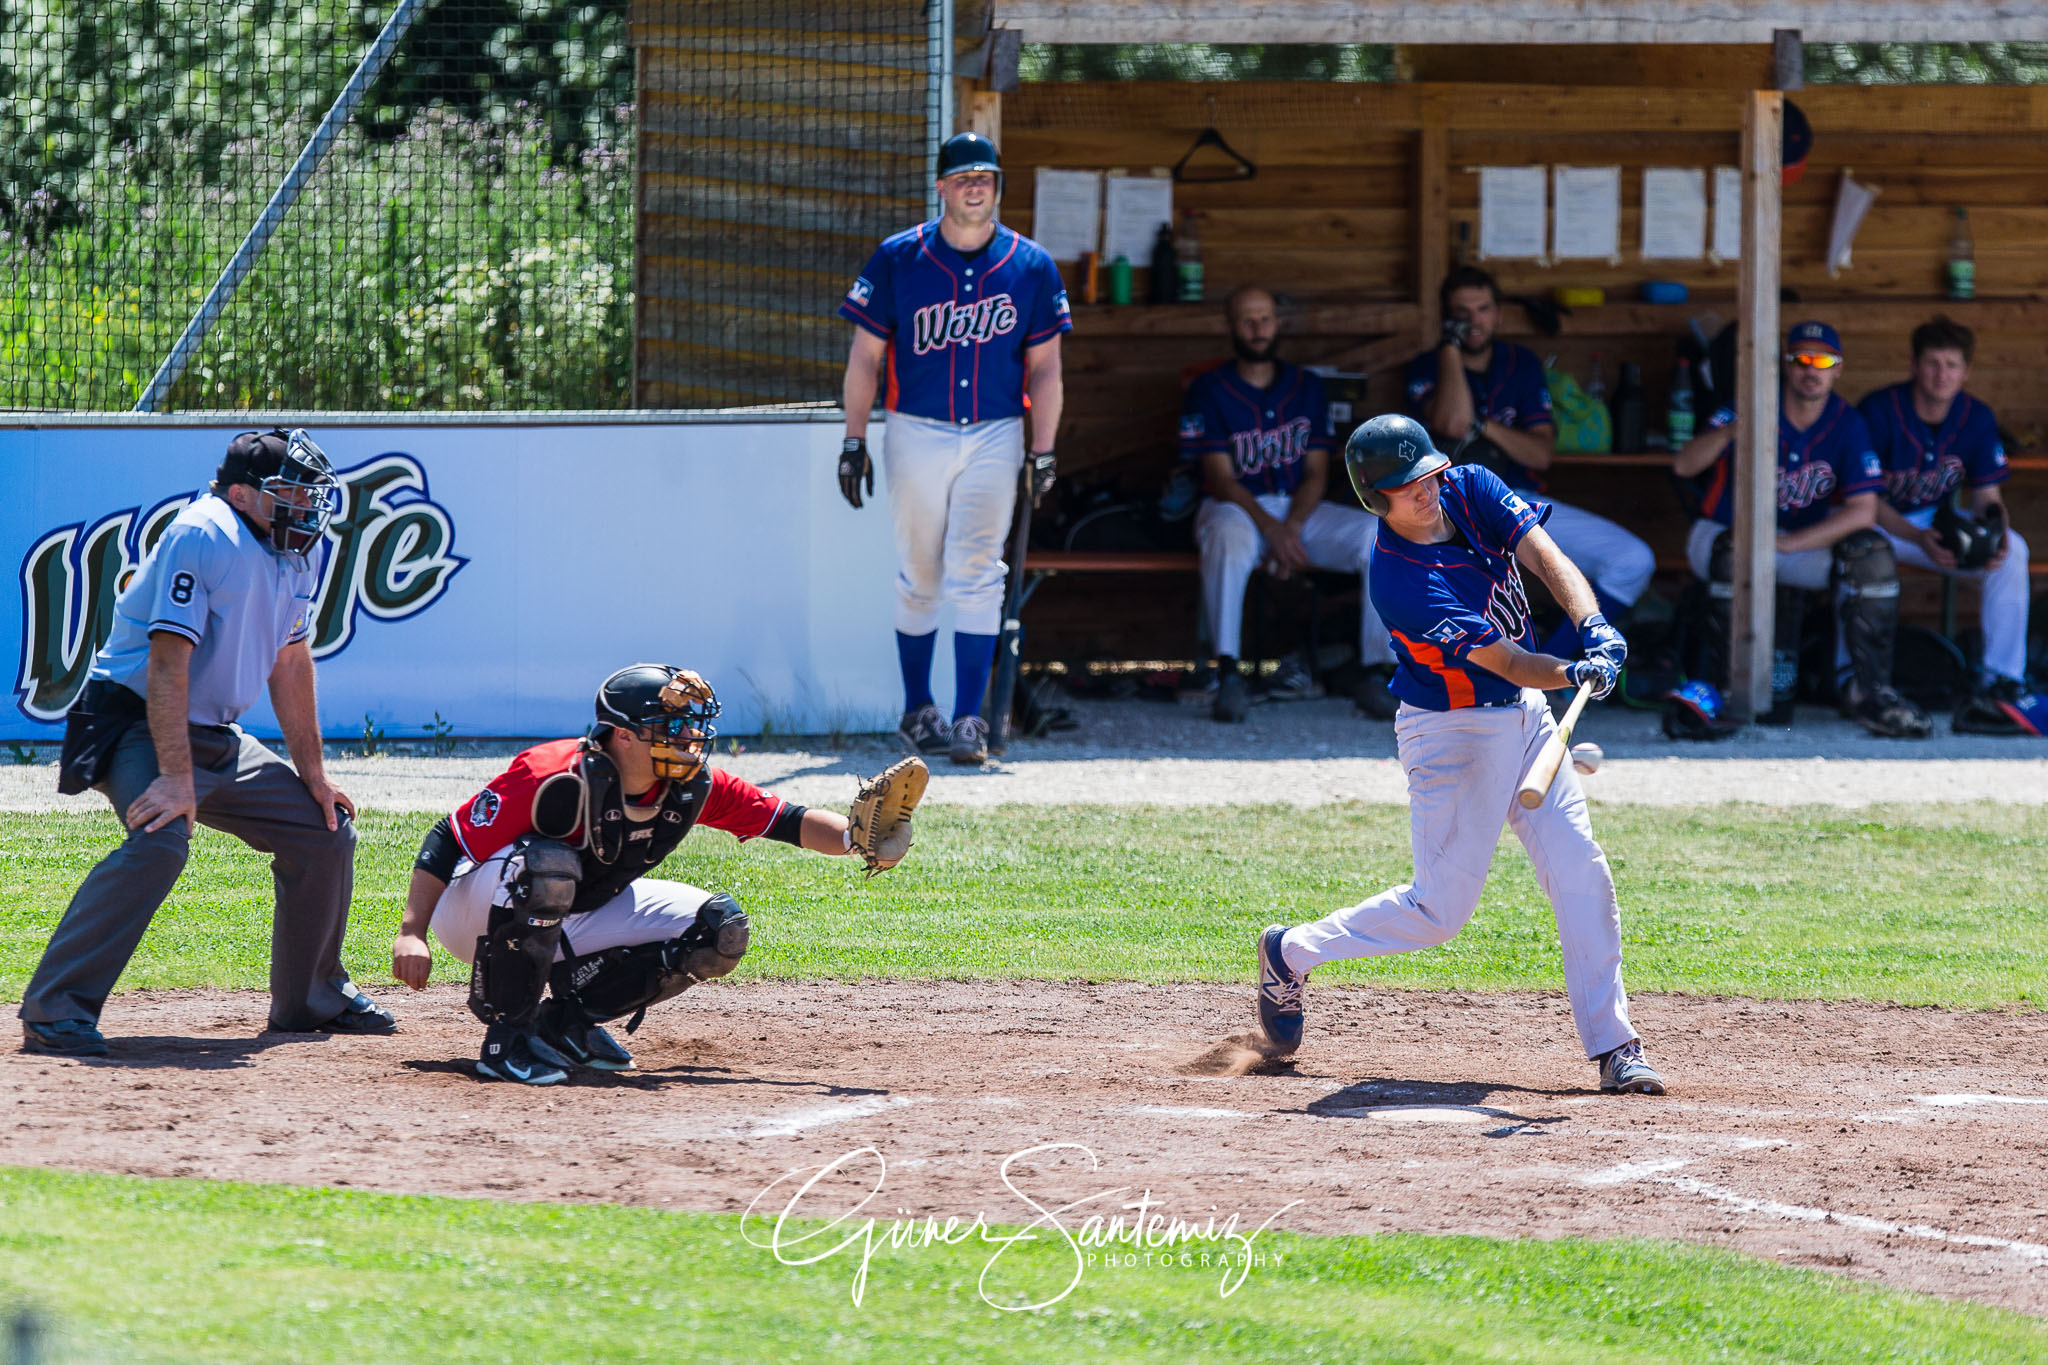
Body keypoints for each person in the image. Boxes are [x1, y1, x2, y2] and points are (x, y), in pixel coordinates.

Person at [1253, 414, 1664, 1097]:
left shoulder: (1469, 485)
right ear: (1375, 497)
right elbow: (1505, 661)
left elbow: (1542, 553)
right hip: (1451, 735)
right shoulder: (1400, 579)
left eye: (1431, 472)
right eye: (1409, 484)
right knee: (1438, 911)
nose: (1429, 488)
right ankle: (1289, 951)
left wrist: (1593, 624)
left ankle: (1615, 1044)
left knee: (1580, 867)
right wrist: (1573, 673)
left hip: (1526, 718)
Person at [20, 429, 390, 1057]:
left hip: (213, 731)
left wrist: (316, 776)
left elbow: (291, 661)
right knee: (162, 841)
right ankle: (56, 1009)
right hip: (136, 720)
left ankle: (309, 999)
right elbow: (168, 663)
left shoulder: (298, 547)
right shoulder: (205, 532)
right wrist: (175, 777)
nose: (307, 504)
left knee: (325, 829)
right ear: (243, 494)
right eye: (290, 492)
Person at [390, 664, 923, 1086]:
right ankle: (507, 1040)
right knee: (549, 866)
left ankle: (565, 1025)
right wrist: (412, 931)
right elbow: (448, 838)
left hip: (576, 906)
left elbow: (786, 821)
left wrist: (859, 840)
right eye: (671, 727)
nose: (690, 738)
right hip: (478, 912)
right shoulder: (552, 773)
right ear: (622, 736)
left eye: (693, 725)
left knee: (719, 928)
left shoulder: (691, 783)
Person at [836, 130, 1069, 768]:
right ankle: (919, 708)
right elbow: (866, 355)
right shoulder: (898, 257)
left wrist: (1042, 448)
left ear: (998, 185)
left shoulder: (1030, 264)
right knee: (920, 572)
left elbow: (1046, 367)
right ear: (941, 186)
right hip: (917, 427)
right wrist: (855, 438)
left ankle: (969, 718)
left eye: (986, 176)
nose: (976, 185)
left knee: (977, 571)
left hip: (996, 431)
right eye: (964, 176)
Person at [1674, 321, 1931, 738]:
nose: (1812, 370)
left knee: (1872, 556)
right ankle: (1722, 690)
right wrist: (1739, 426)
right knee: (1730, 550)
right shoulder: (1746, 405)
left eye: (1823, 361)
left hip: (1791, 544)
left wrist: (1791, 543)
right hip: (1721, 535)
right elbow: (1684, 465)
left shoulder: (1847, 422)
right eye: (1801, 360)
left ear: (1838, 369)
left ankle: (1868, 691)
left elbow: (1863, 511)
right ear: (1786, 367)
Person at [1182, 285, 1399, 722]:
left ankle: (1377, 671)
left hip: (1297, 511)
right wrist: (1272, 529)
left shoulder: (1306, 387)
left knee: (1378, 534)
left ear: (1278, 324)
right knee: (1228, 535)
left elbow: (1317, 471)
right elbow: (1221, 479)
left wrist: (1292, 526)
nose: (1257, 328)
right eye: (1247, 319)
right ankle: (1228, 673)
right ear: (1230, 326)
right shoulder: (1208, 388)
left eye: (1264, 318)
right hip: (1237, 508)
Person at [1406, 267, 1656, 647]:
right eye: (1461, 313)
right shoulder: (1429, 364)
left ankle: (1557, 662)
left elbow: (1540, 453)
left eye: (1483, 309)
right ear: (1445, 318)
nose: (1473, 321)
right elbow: (1454, 423)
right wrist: (1450, 348)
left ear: (1498, 314)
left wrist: (1484, 426)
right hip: (1450, 509)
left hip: (1517, 501)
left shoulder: (1519, 363)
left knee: (1633, 559)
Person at [1858, 316, 2041, 735]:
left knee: (2014, 553)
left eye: (1952, 365)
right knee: (1858, 552)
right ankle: (1853, 678)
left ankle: (2001, 681)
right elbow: (1863, 500)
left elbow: (1987, 497)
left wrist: (1993, 536)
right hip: (1880, 521)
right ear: (1913, 364)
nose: (1942, 375)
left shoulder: (1976, 416)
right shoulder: (1879, 409)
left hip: (1935, 523)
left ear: (1966, 371)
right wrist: (1918, 538)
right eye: (1933, 363)